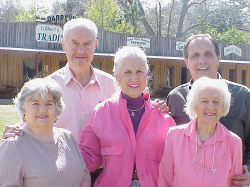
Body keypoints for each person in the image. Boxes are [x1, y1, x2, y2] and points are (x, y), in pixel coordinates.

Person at [79, 46, 176, 187]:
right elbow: (88, 158)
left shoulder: (163, 117)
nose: (134, 78)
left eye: (139, 71)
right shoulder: (101, 112)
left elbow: (175, 164)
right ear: (117, 76)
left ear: (147, 75)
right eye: (127, 72)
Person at [166, 34, 250, 186]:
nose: (202, 61)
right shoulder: (175, 98)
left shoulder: (243, 96)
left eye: (208, 54)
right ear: (186, 61)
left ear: (219, 57)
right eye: (195, 55)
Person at [0, 78, 90, 186]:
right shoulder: (13, 146)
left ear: (57, 109)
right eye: (35, 103)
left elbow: (84, 175)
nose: (42, 109)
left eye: (49, 104)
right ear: (23, 109)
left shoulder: (67, 137)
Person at [158, 77, 242, 187]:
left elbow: (235, 184)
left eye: (216, 101)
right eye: (204, 101)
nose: (210, 106)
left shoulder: (234, 142)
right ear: (194, 105)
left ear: (223, 106)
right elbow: (165, 180)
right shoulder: (174, 136)